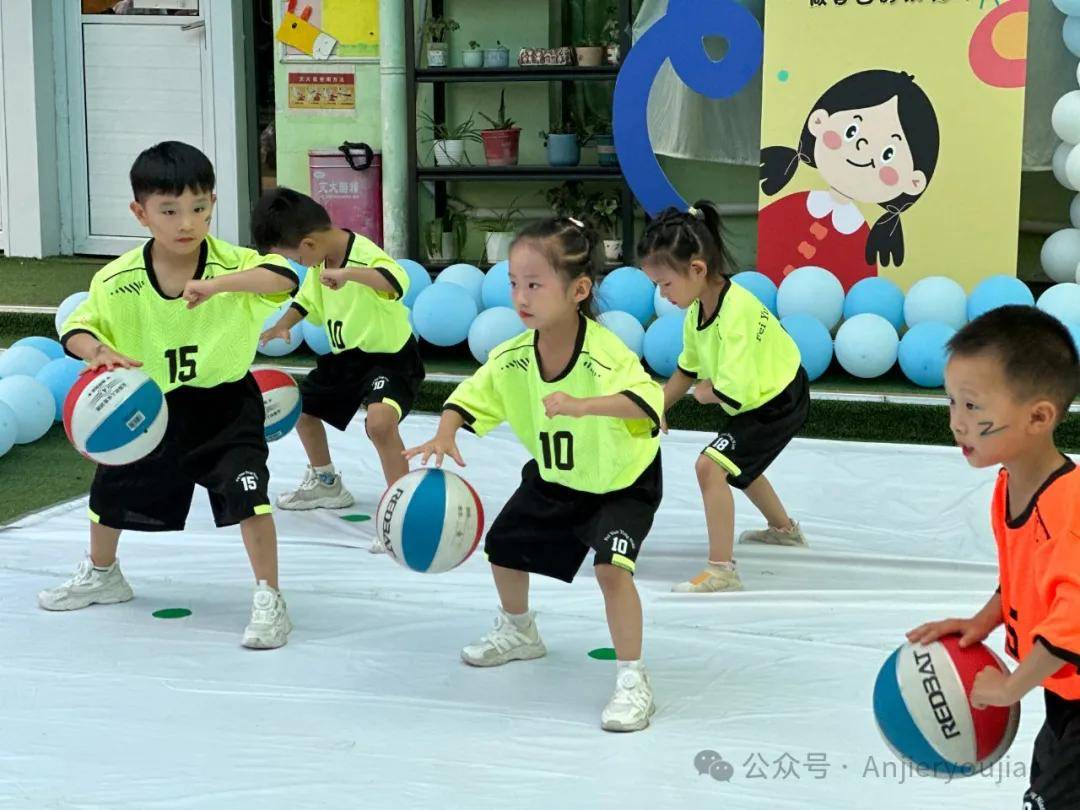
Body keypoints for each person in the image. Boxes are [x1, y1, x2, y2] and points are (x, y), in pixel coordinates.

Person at [406, 218, 664, 732]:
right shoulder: (512, 358)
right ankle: (521, 631)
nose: (520, 297)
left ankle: (633, 677)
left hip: (623, 481)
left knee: (613, 570)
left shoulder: (607, 352)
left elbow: (649, 406)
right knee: (503, 545)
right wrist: (446, 431)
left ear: (579, 290)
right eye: (513, 284)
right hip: (556, 478)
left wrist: (585, 404)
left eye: (534, 284)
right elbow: (470, 397)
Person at [39, 141, 298, 649]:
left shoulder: (235, 266)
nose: (187, 222)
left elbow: (286, 276)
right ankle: (103, 573)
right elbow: (76, 328)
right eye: (170, 210)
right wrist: (97, 352)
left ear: (213, 205)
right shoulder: (116, 281)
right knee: (109, 494)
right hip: (149, 407)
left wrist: (220, 287)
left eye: (199, 208)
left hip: (226, 406)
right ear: (141, 213)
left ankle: (270, 597)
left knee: (250, 495)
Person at [907, 305, 1080, 809]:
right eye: (952, 402)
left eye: (973, 407)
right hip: (1063, 693)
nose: (956, 422)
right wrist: (983, 620)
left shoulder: (1068, 510)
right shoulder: (1008, 483)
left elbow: (1072, 623)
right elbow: (1021, 578)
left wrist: (1010, 687)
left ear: (1039, 417)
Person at [639, 202, 810, 593]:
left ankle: (722, 570)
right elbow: (687, 369)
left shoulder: (735, 316)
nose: (662, 294)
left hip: (779, 399)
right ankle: (784, 530)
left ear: (697, 270)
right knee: (738, 461)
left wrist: (704, 393)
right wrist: (657, 404)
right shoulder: (699, 309)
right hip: (767, 395)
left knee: (710, 466)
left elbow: (726, 390)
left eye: (665, 284)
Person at [253, 188, 423, 534]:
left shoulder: (363, 255)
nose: (299, 266)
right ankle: (327, 483)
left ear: (310, 244)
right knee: (303, 410)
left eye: (296, 259)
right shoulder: (319, 263)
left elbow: (395, 280)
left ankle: (401, 509)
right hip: (344, 360)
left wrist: (349, 276)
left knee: (379, 425)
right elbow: (307, 301)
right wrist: (282, 326)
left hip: (389, 359)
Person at [758, 69, 940, 289]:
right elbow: (767, 243)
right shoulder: (791, 208)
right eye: (851, 130)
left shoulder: (860, 238)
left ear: (914, 181)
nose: (861, 146)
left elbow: (860, 290)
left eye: (887, 154)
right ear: (818, 121)